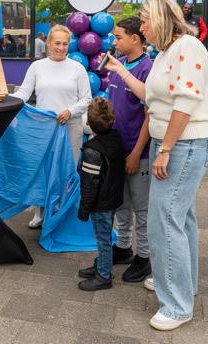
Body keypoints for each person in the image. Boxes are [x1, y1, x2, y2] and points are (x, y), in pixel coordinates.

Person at [102, 0, 208, 331]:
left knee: (164, 220)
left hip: (184, 144)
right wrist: (120, 70)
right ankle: (180, 281)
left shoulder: (188, 47)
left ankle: (177, 305)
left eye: (144, 20)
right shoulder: (167, 53)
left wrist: (166, 148)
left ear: (159, 19)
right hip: (172, 143)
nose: (140, 27)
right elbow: (149, 96)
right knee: (181, 218)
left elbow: (185, 101)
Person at [11, 24, 92, 229]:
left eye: (65, 44)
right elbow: (23, 94)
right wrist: (4, 100)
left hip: (71, 127)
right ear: (48, 42)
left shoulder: (77, 68)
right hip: (44, 130)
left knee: (67, 170)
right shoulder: (37, 67)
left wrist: (70, 111)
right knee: (44, 171)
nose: (61, 47)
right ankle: (40, 213)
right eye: (57, 43)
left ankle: (62, 213)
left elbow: (86, 99)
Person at [103, 17, 153, 282]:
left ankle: (144, 257)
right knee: (120, 204)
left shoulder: (147, 69)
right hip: (117, 152)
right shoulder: (117, 65)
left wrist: (136, 152)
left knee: (142, 209)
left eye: (119, 37)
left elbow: (149, 115)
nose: (114, 41)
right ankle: (123, 248)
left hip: (138, 154)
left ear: (135, 38)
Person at [76, 97, 125, 291]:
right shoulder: (115, 139)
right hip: (112, 198)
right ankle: (102, 265)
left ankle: (104, 275)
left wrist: (84, 210)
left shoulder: (92, 151)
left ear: (88, 122)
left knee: (103, 238)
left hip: (100, 204)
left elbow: (89, 185)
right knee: (104, 237)